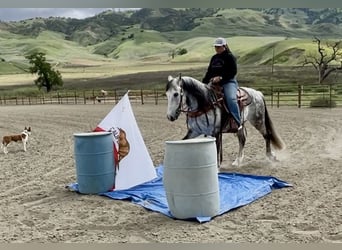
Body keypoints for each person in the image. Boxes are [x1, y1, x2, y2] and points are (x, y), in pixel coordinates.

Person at [202, 37, 242, 130]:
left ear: (224, 46)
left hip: (228, 82)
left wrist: (221, 77)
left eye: (219, 47)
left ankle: (237, 121)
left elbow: (233, 71)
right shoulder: (214, 58)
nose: (217, 48)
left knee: (231, 99)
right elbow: (209, 72)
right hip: (214, 83)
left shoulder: (230, 57)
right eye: (215, 47)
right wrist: (204, 82)